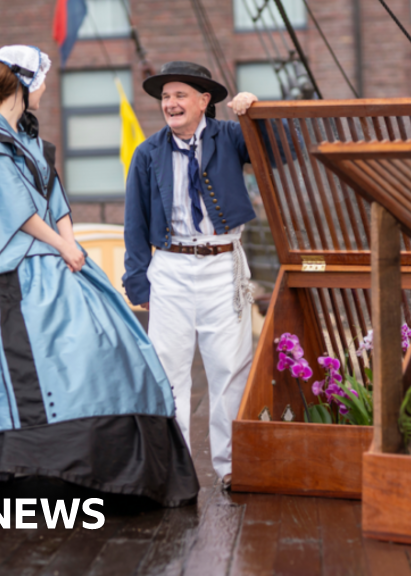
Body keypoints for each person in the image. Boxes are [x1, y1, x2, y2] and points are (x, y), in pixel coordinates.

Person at [0, 46, 198, 507]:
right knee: (65, 352)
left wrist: (70, 244)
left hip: (49, 259)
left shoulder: (27, 139)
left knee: (99, 348)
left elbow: (54, 198)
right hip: (9, 263)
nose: (44, 88)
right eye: (39, 81)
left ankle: (91, 464)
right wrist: (63, 245)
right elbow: (10, 206)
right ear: (22, 84)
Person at [123, 61, 259, 489]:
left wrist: (255, 112)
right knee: (168, 371)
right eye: (165, 97)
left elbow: (282, 148)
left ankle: (232, 466)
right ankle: (174, 471)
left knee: (230, 368)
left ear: (204, 102)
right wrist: (137, 278)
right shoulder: (147, 153)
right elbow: (135, 223)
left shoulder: (232, 136)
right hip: (171, 267)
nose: (170, 103)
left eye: (180, 95)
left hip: (222, 265)